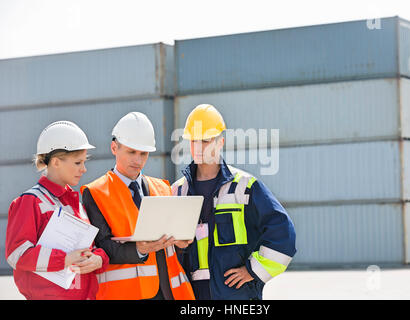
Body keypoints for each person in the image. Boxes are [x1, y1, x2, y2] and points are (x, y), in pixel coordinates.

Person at [172, 104, 297, 300]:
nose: (198, 147)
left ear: (220, 142)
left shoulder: (245, 186)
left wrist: (253, 271)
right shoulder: (178, 191)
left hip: (235, 296)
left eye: (205, 140)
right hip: (191, 295)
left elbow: (283, 233)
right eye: (193, 140)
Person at [81, 111, 195, 300]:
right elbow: (102, 246)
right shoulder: (95, 192)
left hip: (169, 292)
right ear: (114, 147)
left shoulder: (163, 188)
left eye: (144, 153)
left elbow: (172, 245)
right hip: (127, 294)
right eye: (131, 152)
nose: (138, 160)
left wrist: (181, 243)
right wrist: (140, 249)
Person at [5, 121, 109, 300]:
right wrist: (64, 259)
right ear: (55, 162)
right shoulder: (30, 202)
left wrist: (99, 259)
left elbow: (90, 248)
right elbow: (17, 254)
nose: (83, 169)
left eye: (84, 162)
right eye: (78, 162)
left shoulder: (76, 204)